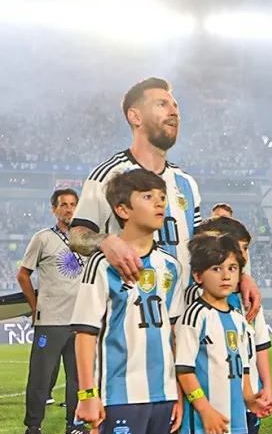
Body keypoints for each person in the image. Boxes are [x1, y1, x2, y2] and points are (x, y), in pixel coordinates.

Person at [69, 78, 259, 316]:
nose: (173, 112)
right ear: (135, 116)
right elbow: (76, 236)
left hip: (182, 318)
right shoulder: (109, 175)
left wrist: (242, 276)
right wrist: (106, 241)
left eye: (175, 106)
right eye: (162, 104)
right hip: (128, 317)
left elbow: (203, 250)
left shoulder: (186, 184)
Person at [70, 169, 185, 434]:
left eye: (162, 197)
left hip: (163, 396)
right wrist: (87, 394)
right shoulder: (102, 264)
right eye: (147, 197)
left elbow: (171, 332)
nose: (160, 204)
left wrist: (178, 394)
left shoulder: (171, 267)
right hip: (121, 394)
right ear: (122, 210)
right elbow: (85, 334)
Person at [176, 234, 272, 434]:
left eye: (232, 268)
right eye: (217, 268)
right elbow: (184, 370)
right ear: (198, 276)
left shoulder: (240, 319)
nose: (226, 275)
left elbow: (244, 367)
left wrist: (250, 398)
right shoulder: (195, 316)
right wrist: (205, 410)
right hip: (202, 427)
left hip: (235, 424)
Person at [18, 188, 86, 434]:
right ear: (54, 209)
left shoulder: (85, 240)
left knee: (77, 377)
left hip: (78, 322)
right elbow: (23, 275)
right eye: (63, 205)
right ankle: (33, 428)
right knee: (41, 376)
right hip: (50, 321)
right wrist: (35, 307)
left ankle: (74, 424)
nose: (69, 209)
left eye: (72, 205)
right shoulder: (43, 238)